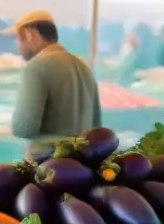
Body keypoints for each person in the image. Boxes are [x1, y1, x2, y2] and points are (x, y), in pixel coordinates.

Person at [5, 10, 101, 139]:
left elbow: (23, 128)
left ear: (29, 35)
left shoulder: (37, 66)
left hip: (49, 158)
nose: (18, 46)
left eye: (18, 38)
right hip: (83, 158)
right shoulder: (84, 67)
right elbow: (97, 129)